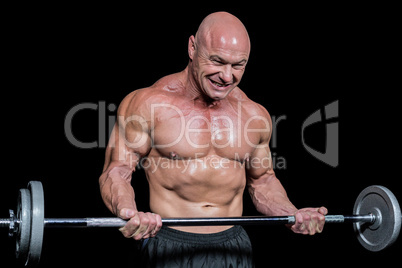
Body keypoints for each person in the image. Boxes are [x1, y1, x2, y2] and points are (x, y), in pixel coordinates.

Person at [99, 11, 327, 267]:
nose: (227, 76)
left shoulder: (254, 114)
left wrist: (292, 214)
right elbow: (116, 171)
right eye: (217, 61)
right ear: (192, 47)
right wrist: (129, 211)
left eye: (238, 65)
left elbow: (262, 181)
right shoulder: (147, 104)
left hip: (234, 245)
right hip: (169, 243)